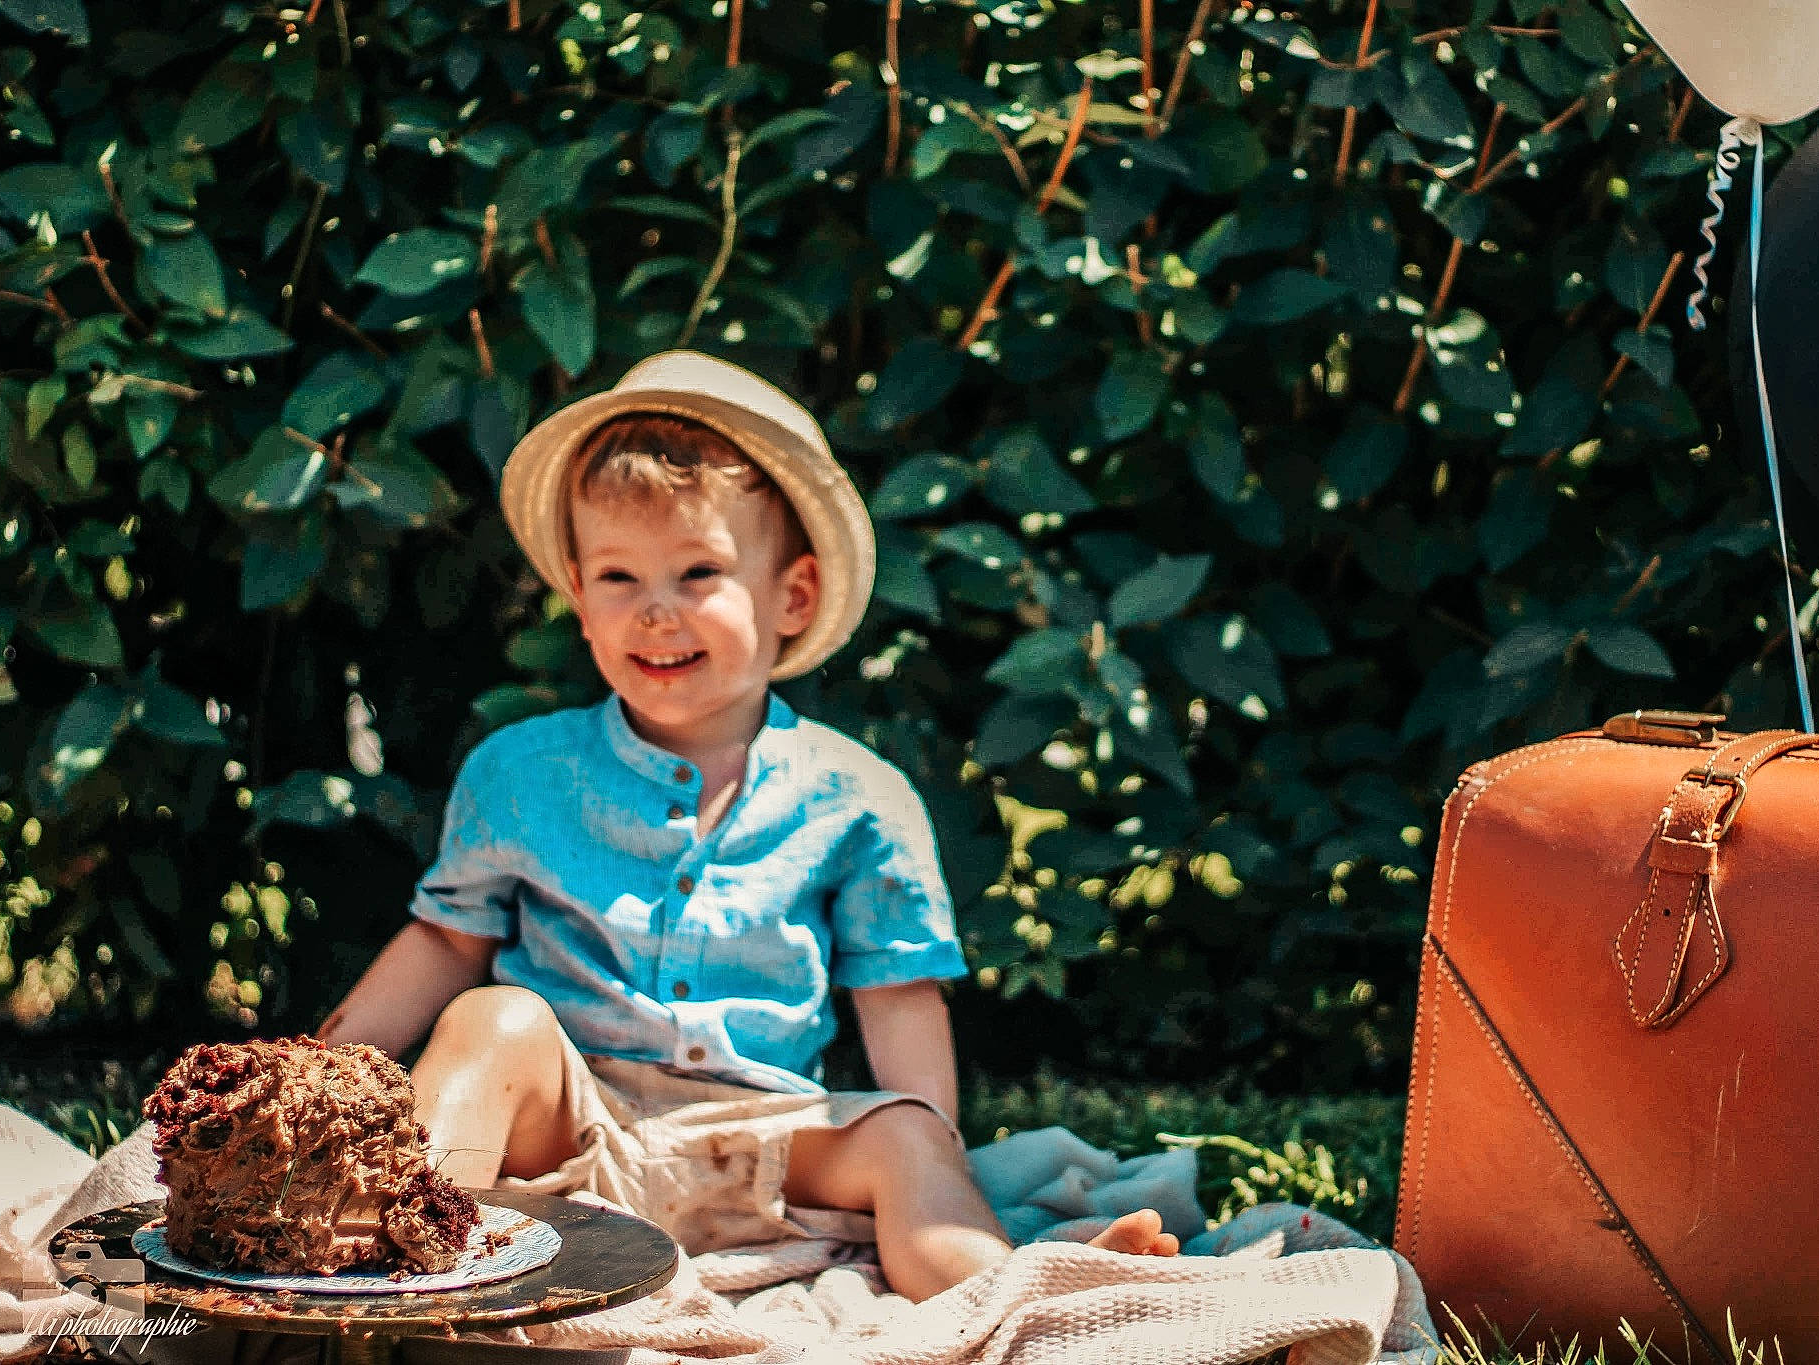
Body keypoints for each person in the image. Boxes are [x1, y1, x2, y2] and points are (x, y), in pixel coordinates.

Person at [317, 351, 1177, 1301]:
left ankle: (1022, 1291)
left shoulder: (858, 795)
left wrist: (935, 1151)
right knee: (491, 1019)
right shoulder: (519, 773)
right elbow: (445, 941)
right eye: (618, 575)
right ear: (577, 594)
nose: (656, 609)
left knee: (900, 1138)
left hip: (763, 1138)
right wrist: (321, 1073)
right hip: (571, 1126)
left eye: (699, 572)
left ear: (791, 597)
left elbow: (898, 1000)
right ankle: (382, 1251)